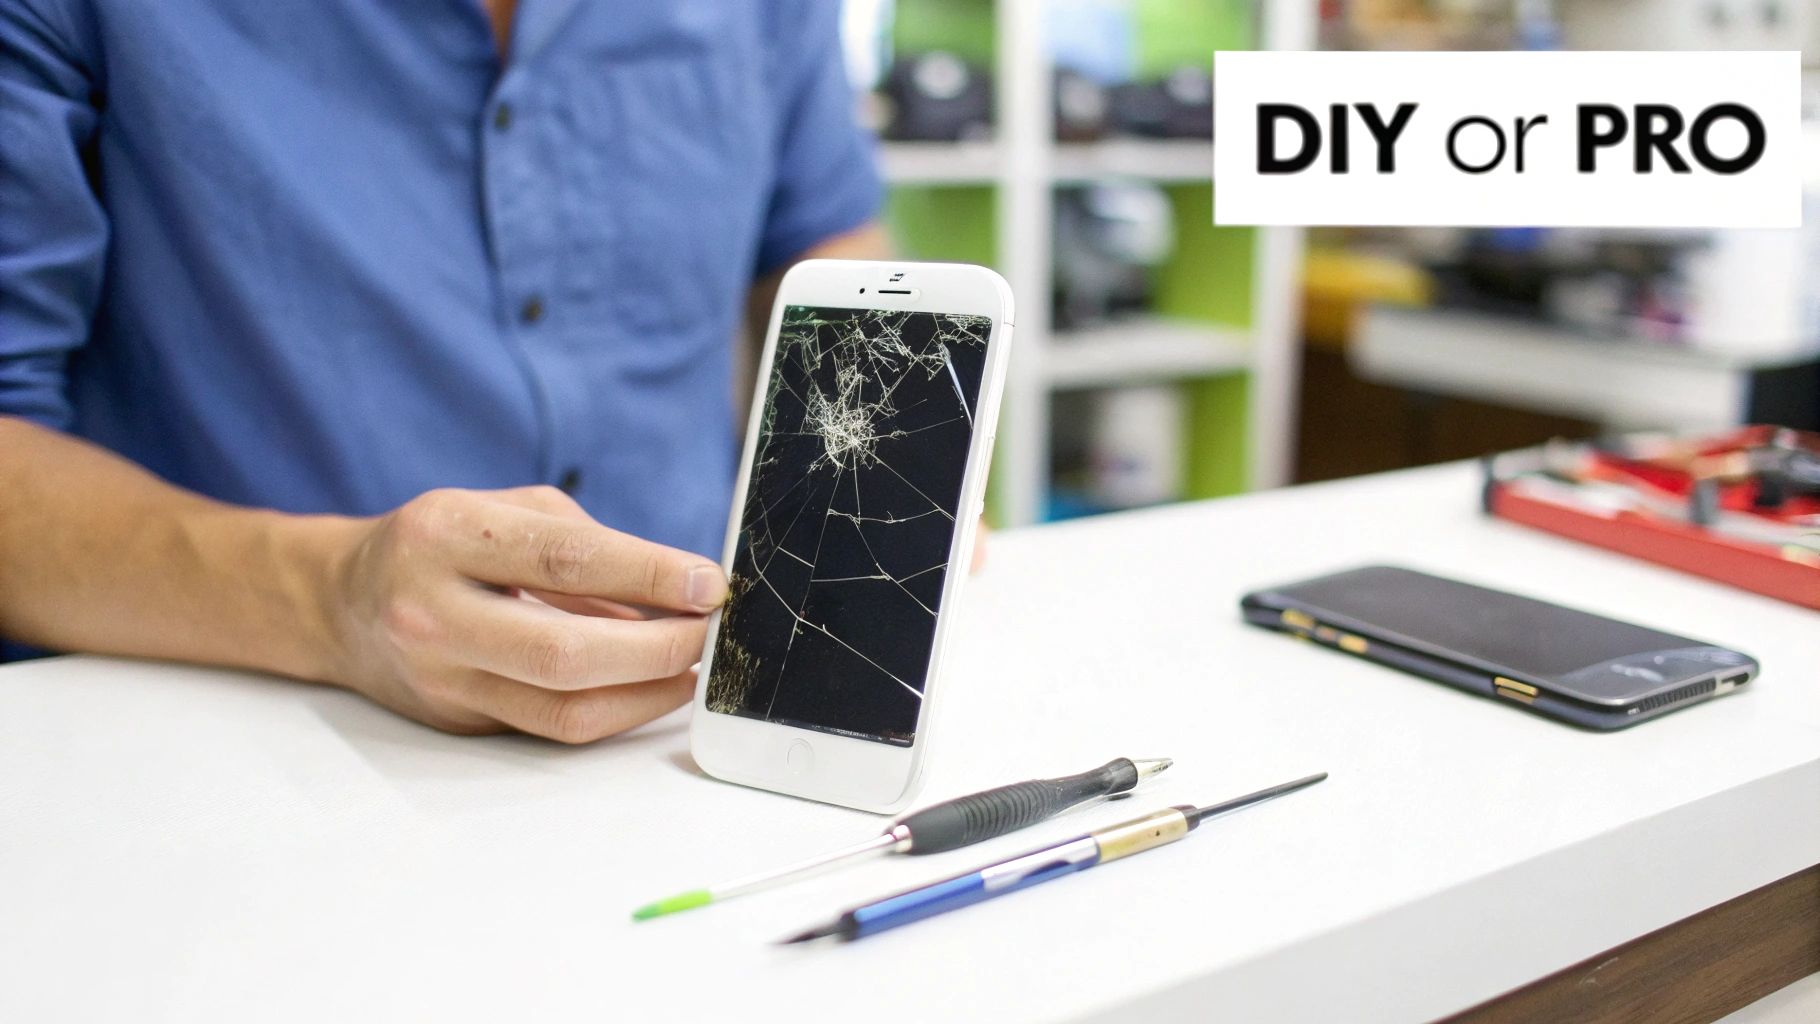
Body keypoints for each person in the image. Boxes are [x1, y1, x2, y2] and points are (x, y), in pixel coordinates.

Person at [0, 0, 893, 742]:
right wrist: (329, 599)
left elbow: (823, 247)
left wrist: (883, 492)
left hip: (705, 731)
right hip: (237, 754)